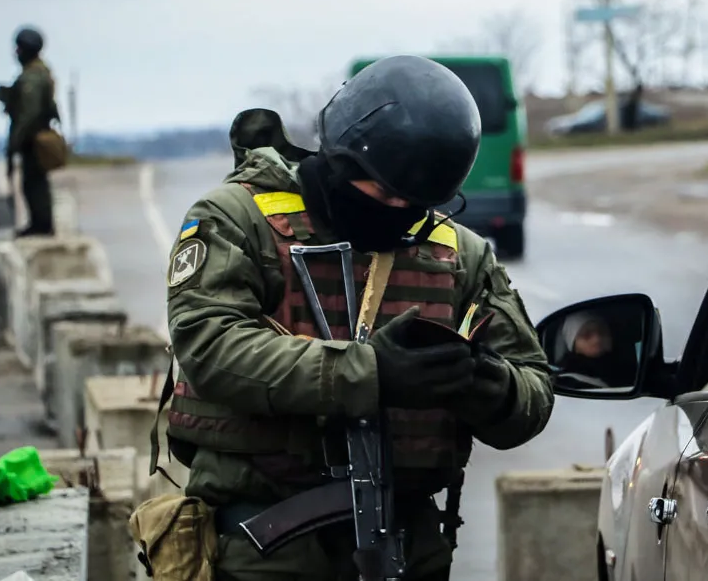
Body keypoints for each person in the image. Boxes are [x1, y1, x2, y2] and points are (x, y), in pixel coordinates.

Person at [154, 55, 555, 581]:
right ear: (341, 158)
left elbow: (534, 387)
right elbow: (211, 345)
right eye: (383, 191)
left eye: (412, 202)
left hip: (408, 549)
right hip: (264, 545)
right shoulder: (237, 221)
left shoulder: (458, 253)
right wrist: (371, 372)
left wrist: (485, 385)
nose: (395, 210)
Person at [0, 26, 57, 236]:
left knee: (33, 183)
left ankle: (42, 225)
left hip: (33, 137)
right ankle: (41, 224)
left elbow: (28, 113)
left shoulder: (32, 76)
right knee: (33, 182)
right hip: (35, 135)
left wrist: (16, 140)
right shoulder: (38, 72)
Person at [552, 311, 635, 389]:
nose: (597, 339)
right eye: (586, 335)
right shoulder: (566, 383)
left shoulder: (633, 373)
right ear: (573, 345)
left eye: (602, 332)